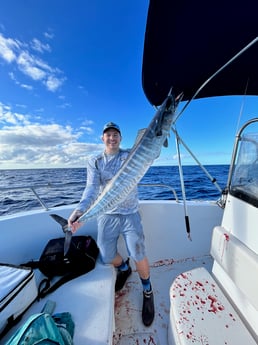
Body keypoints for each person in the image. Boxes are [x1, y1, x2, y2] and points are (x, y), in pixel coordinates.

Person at [68, 121, 154, 327]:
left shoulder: (129, 156)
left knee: (138, 252)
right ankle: (124, 268)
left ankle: (148, 290)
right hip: (106, 214)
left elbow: (149, 153)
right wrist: (79, 211)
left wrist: (156, 138)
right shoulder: (95, 161)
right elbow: (90, 189)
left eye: (115, 134)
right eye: (108, 135)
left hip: (130, 213)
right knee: (106, 256)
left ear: (121, 138)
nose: (112, 138)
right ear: (102, 138)